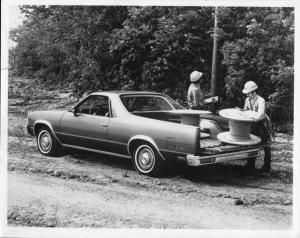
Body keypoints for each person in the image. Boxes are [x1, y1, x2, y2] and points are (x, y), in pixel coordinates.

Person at [242, 81, 272, 172]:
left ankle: (266, 167)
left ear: (254, 91)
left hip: (262, 124)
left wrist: (250, 115)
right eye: (246, 93)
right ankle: (250, 164)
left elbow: (260, 114)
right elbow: (245, 110)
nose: (247, 94)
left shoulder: (261, 100)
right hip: (253, 123)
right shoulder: (247, 100)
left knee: (266, 145)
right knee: (252, 143)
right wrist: (241, 111)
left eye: (248, 93)